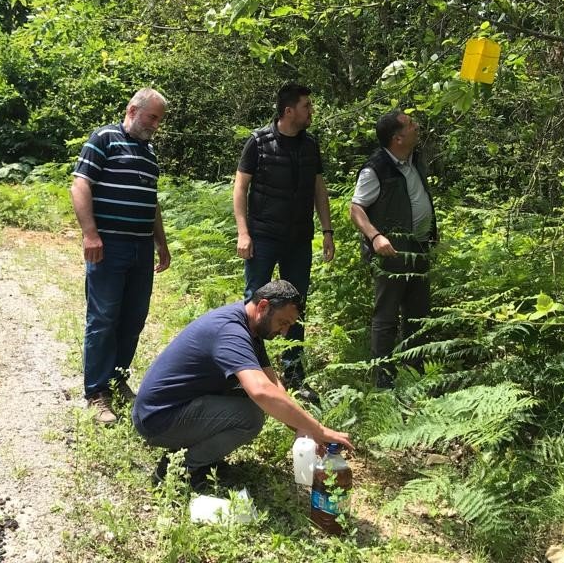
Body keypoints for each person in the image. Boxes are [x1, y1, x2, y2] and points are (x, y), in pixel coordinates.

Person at [132, 280, 353, 488]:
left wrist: (304, 430)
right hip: (157, 419)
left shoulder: (249, 326)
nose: (284, 331)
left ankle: (196, 457)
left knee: (249, 397)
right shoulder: (231, 331)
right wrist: (320, 430)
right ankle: (178, 468)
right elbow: (262, 391)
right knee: (250, 416)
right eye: (283, 323)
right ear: (264, 306)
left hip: (174, 408)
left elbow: (273, 386)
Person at [71, 88, 171, 424]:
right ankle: (97, 392)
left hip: (141, 248)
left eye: (159, 119)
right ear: (133, 109)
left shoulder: (149, 153)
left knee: (133, 317)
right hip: (108, 245)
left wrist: (162, 242)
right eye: (152, 117)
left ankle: (116, 378)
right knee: (103, 318)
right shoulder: (103, 139)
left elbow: (151, 201)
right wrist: (90, 234)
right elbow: (80, 185)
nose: (156, 125)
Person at [232, 83, 334, 396]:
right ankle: (247, 371)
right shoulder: (258, 141)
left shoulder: (310, 144)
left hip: (299, 239)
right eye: (306, 106)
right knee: (255, 301)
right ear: (289, 111)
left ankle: (294, 374)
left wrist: (328, 231)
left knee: (296, 304)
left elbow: (319, 189)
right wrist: (243, 232)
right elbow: (240, 188)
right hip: (263, 237)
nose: (311, 111)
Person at [349, 110, 438, 388]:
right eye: (411, 125)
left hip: (419, 249)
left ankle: (415, 373)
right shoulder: (375, 169)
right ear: (398, 138)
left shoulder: (414, 159)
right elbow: (356, 209)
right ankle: (383, 379)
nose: (417, 127)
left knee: (418, 314)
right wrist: (376, 237)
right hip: (392, 253)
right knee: (386, 317)